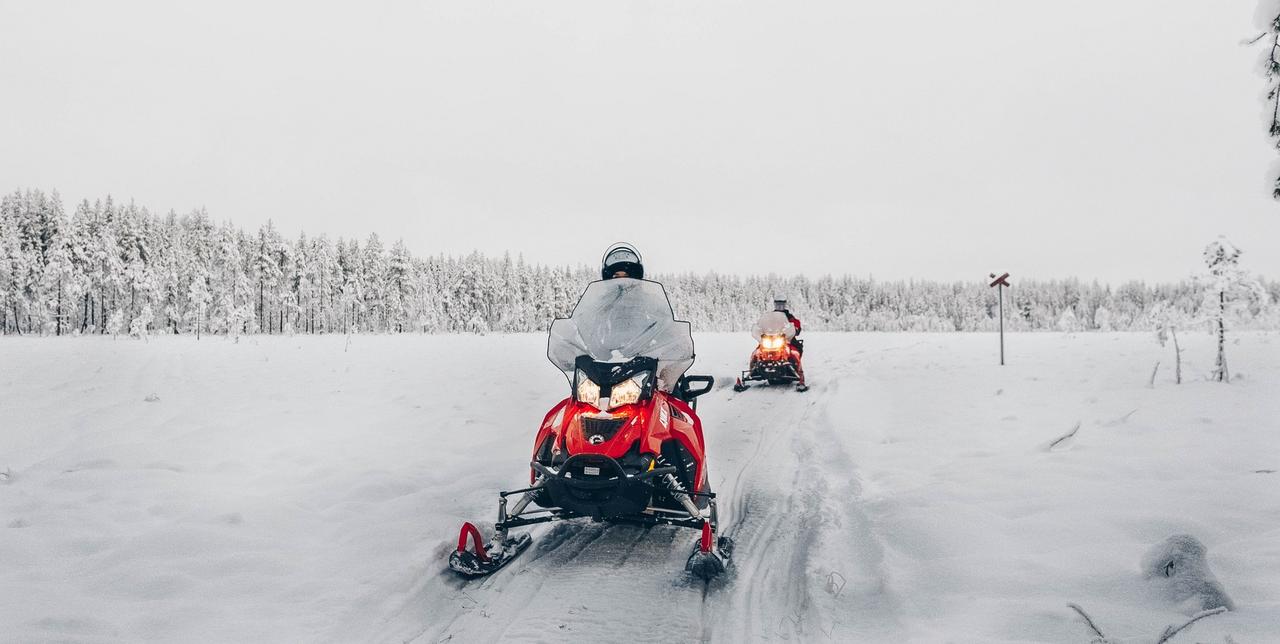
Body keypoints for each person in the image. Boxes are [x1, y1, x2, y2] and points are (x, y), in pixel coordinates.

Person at [773, 297, 807, 390]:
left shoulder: (789, 316)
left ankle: (797, 367)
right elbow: (764, 324)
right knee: (759, 349)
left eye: (782, 304)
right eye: (778, 304)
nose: (780, 307)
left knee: (798, 347)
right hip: (772, 338)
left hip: (787, 338)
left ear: (784, 305)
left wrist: (796, 328)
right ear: (775, 305)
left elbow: (796, 323)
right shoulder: (772, 316)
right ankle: (755, 365)